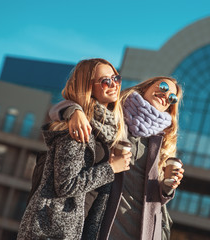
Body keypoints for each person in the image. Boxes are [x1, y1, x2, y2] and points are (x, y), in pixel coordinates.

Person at [50, 76, 184, 240]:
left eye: (172, 98)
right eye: (163, 87)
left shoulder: (163, 142)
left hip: (144, 232)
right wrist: (74, 112)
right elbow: (60, 107)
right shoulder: (115, 115)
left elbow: (154, 198)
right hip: (105, 225)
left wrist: (167, 188)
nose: (165, 96)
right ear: (145, 87)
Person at [17, 58, 132, 240]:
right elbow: (65, 185)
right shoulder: (78, 130)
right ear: (88, 86)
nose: (114, 85)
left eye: (116, 78)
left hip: (79, 229)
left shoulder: (109, 131)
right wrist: (111, 168)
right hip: (53, 231)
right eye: (105, 81)